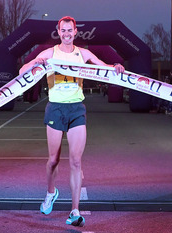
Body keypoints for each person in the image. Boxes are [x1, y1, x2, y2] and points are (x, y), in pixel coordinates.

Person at [19, 16, 124, 227]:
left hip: (76, 108)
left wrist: (117, 66)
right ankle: (51, 192)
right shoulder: (49, 53)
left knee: (76, 161)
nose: (66, 34)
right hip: (55, 109)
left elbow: (105, 67)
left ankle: (74, 211)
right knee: (53, 161)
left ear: (76, 32)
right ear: (58, 32)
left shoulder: (82, 53)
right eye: (63, 30)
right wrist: (35, 62)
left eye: (70, 30)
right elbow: (22, 72)